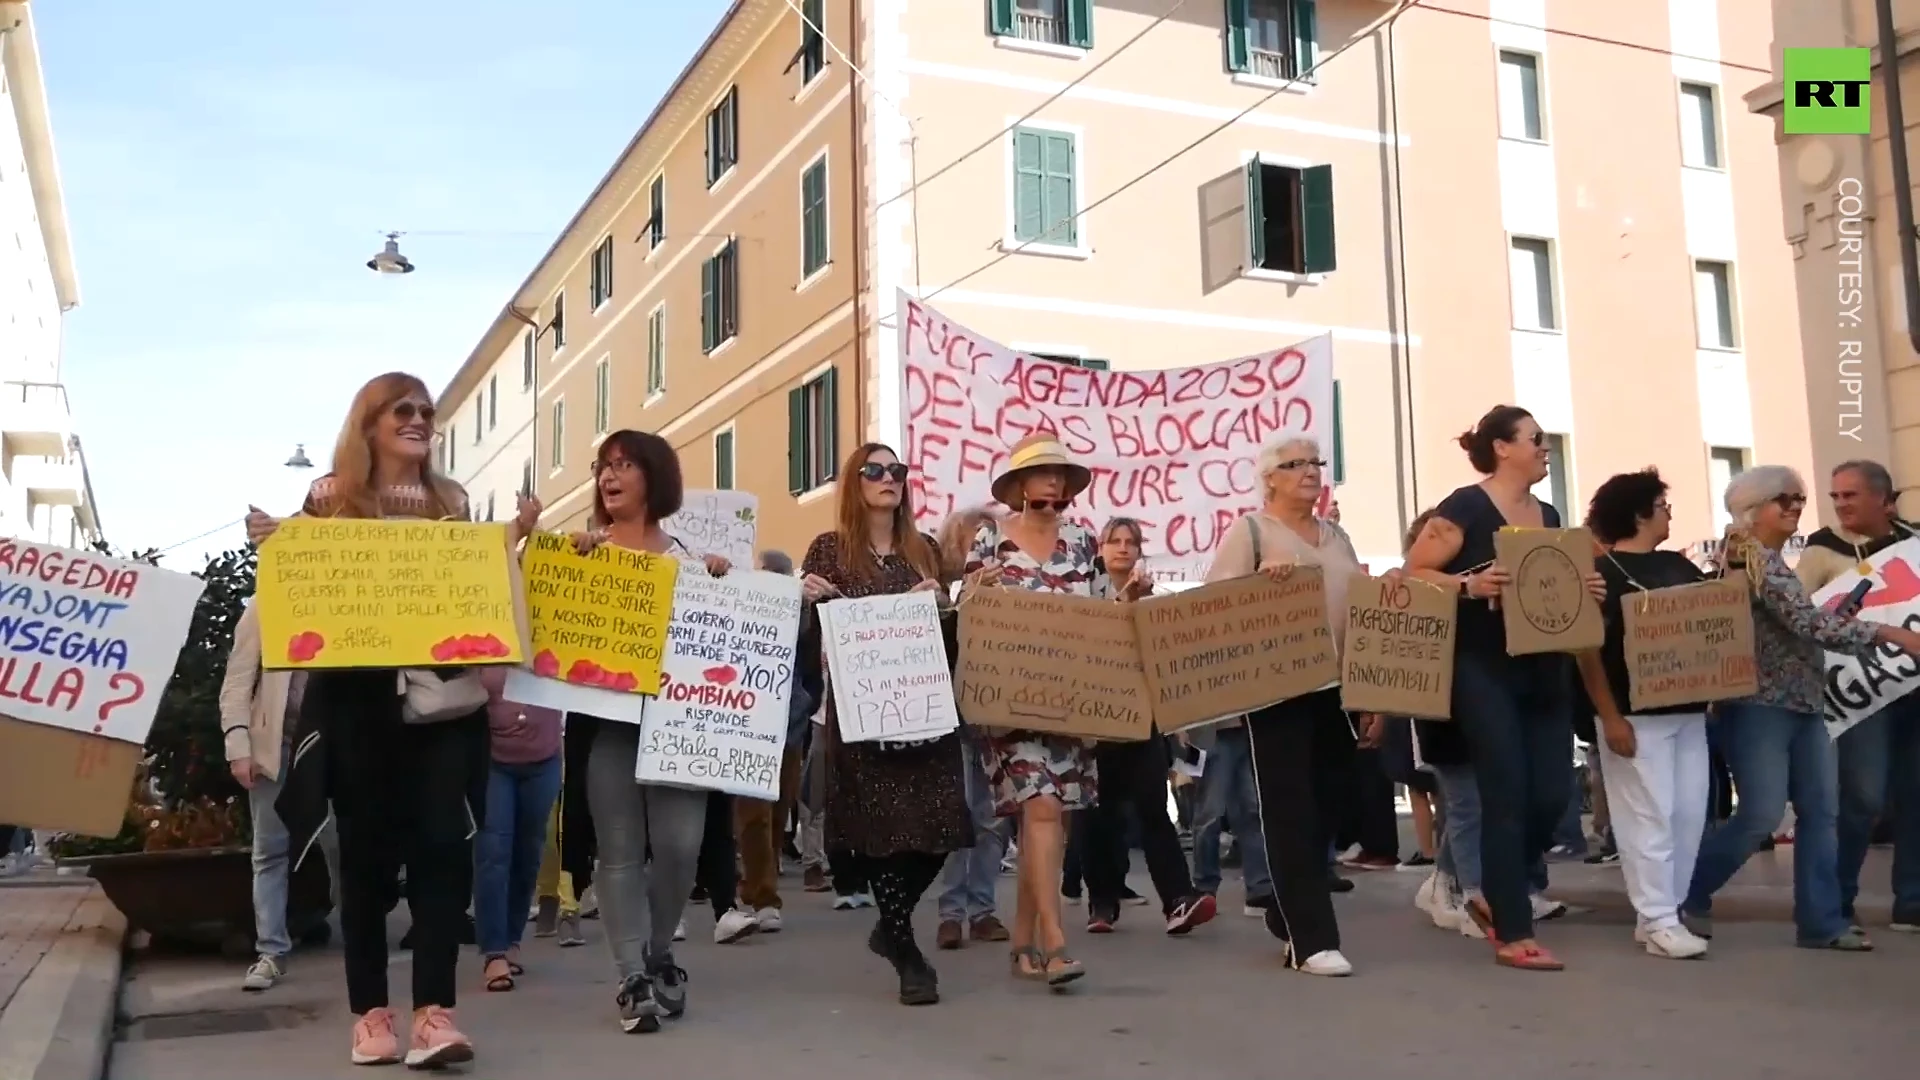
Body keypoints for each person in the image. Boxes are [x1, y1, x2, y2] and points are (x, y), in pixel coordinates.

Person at [244, 372, 537, 1067]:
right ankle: (370, 1016)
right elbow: (304, 588)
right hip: (357, 703)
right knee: (367, 863)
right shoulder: (331, 499)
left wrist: (515, 541)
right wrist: (277, 540)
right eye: (402, 410)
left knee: (443, 853)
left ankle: (436, 1015)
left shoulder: (453, 501)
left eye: (426, 411)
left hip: (442, 702)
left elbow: (474, 586)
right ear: (369, 422)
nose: (418, 420)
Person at [1402, 406, 1605, 971]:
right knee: (1505, 792)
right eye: (1536, 439)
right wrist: (1468, 584)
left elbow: (1555, 584)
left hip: (1542, 666)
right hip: (1480, 668)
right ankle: (1513, 931)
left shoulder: (1550, 513)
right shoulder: (1464, 506)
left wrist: (1583, 586)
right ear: (1502, 447)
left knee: (1552, 797)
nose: (1546, 448)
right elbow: (1413, 572)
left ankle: (1493, 886)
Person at [1682, 466, 1920, 950]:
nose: (1796, 507)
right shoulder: (1748, 559)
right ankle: (1686, 895)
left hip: (1805, 702)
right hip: (1759, 706)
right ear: (1754, 509)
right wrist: (1891, 632)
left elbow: (1799, 625)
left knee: (1821, 813)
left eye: (1799, 498)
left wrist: (1830, 623)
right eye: (1784, 499)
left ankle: (1821, 922)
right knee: (1763, 815)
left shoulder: (1768, 560)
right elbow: (1806, 624)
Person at [568, 429, 731, 1032]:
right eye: (603, 465)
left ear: (653, 477)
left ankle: (660, 951)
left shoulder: (689, 559)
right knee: (618, 849)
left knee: (680, 844)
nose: (610, 477)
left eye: (625, 465)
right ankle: (630, 973)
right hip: (607, 725)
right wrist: (566, 560)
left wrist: (721, 580)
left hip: (679, 725)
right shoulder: (583, 553)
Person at [799, 443, 971, 1005]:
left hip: (924, 708)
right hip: (861, 714)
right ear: (855, 482)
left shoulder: (922, 551)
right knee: (880, 833)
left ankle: (890, 928)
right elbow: (802, 637)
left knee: (941, 829)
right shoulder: (829, 550)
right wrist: (804, 599)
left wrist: (942, 602)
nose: (889, 478)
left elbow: (949, 635)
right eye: (875, 470)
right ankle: (905, 948)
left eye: (897, 470)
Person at [1205, 436, 1361, 976]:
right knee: (1289, 808)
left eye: (1316, 463)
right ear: (1270, 478)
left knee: (1331, 803)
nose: (1311, 472)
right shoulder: (1250, 532)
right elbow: (1217, 607)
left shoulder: (1336, 535)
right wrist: (1257, 585)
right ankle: (1311, 939)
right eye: (1296, 465)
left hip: (1338, 690)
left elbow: (1359, 606)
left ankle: (1284, 906)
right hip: (1277, 692)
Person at [963, 433, 1101, 987]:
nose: (1052, 479)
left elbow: (1103, 616)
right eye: (1041, 472)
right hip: (1009, 701)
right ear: (1018, 485)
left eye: (1059, 472)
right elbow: (965, 606)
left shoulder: (1085, 542)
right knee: (1041, 809)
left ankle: (1021, 942)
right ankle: (1056, 944)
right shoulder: (990, 538)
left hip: (1071, 700)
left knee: (1046, 820)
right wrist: (978, 586)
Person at [1572, 469, 1714, 959]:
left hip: (1689, 712)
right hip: (1634, 714)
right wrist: (1609, 717)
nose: (1669, 512)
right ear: (1639, 513)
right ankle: (1657, 918)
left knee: (1688, 815)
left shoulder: (1679, 565)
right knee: (1647, 817)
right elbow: (1587, 652)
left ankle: (1664, 913)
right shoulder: (1601, 575)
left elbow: (1713, 621)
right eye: (1662, 504)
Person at [1797, 460, 1920, 934]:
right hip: (1861, 696)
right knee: (1863, 798)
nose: (1841, 505)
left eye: (1850, 495)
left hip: (1913, 688)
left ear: (1882, 499)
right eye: (1836, 497)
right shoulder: (1821, 551)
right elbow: (1800, 617)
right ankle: (1839, 900)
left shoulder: (1912, 545)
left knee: (1915, 794)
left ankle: (1911, 901)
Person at [1083, 517, 1217, 934]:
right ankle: (1102, 903)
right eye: (1115, 541)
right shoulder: (1083, 595)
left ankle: (1178, 899)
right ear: (1101, 549)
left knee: (1153, 811)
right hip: (1094, 718)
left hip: (1141, 719)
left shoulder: (1152, 601)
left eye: (1131, 542)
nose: (1123, 548)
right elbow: (1093, 641)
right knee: (1099, 816)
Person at [219, 600, 340, 992]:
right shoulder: (262, 606)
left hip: (334, 745)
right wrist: (238, 745)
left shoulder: (347, 596)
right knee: (269, 850)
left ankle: (359, 939)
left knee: (345, 844)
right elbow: (237, 681)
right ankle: (271, 952)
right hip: (277, 745)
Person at [933, 507, 1013, 951]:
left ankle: (982, 908)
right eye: (975, 537)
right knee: (960, 813)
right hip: (951, 713)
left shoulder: (1007, 585)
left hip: (993, 711)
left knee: (992, 818)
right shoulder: (939, 590)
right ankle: (951, 912)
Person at [732, 549, 806, 932]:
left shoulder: (798, 613)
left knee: (777, 811)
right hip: (747, 721)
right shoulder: (739, 607)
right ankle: (760, 895)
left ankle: (761, 886)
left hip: (788, 723)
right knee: (754, 812)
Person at [474, 668, 562, 990]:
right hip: (492, 759)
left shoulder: (552, 632)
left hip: (544, 758)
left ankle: (511, 940)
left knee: (528, 852)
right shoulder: (486, 630)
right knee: (493, 850)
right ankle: (494, 951)